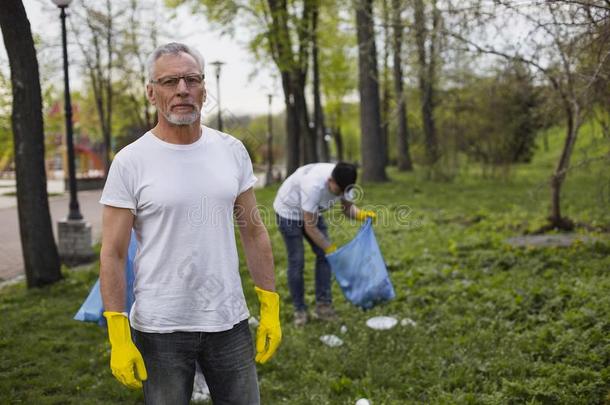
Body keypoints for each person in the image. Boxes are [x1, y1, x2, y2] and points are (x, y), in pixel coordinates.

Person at [99, 42, 281, 405]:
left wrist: (270, 305)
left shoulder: (231, 150)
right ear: (152, 92)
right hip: (160, 329)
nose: (182, 89)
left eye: (191, 79)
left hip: (229, 322)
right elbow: (113, 253)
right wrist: (117, 332)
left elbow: (254, 230)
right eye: (169, 81)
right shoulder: (130, 162)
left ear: (204, 89)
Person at [273, 162, 375, 326]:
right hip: (288, 213)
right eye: (338, 191)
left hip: (312, 212)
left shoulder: (345, 183)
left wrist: (362, 215)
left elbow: (347, 209)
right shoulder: (313, 185)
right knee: (297, 261)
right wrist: (329, 247)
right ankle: (299, 310)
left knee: (326, 257)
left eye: (344, 192)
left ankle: (323, 306)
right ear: (330, 181)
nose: (341, 194)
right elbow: (310, 227)